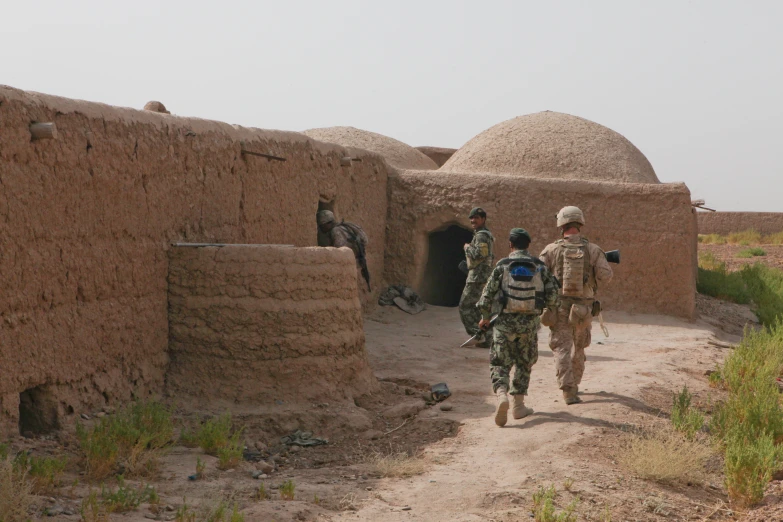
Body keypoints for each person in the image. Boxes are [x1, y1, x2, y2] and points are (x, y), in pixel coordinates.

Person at [477, 228, 559, 427]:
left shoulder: (502, 265)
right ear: (528, 245)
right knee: (524, 362)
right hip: (529, 326)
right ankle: (519, 406)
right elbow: (554, 296)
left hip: (504, 324)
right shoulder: (539, 267)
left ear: (510, 245)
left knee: (499, 362)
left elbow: (486, 296)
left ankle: (502, 394)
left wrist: (485, 318)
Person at [539, 206, 613, 405]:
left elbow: (539, 276)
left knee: (562, 348)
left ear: (561, 225)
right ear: (580, 223)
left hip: (560, 307)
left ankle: (568, 390)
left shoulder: (552, 249)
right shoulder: (592, 249)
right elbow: (606, 277)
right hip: (583, 309)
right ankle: (576, 384)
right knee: (579, 348)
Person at [459, 207, 494, 347]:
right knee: (479, 308)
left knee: (465, 306)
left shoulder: (481, 235)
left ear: (483, 219)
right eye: (471, 218)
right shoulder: (485, 234)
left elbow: (480, 254)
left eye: (476, 218)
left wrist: (467, 247)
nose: (473, 220)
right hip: (482, 275)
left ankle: (478, 334)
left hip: (477, 277)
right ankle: (487, 337)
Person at [316, 210, 371, 290]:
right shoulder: (346, 226)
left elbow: (339, 253)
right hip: (358, 262)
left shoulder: (336, 231)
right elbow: (365, 240)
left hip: (348, 266)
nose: (321, 229)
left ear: (327, 223)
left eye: (322, 226)